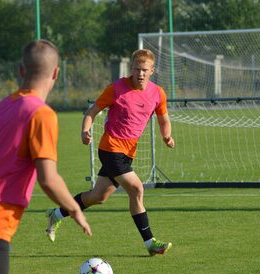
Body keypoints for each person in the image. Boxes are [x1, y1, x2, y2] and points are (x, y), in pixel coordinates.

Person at [0, 39, 92, 274]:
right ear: (56, 73)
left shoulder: (0, 108)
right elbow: (48, 178)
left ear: (20, 70)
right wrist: (75, 209)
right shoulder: (41, 114)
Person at [45, 49, 175, 256]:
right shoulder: (116, 89)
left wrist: (166, 136)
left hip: (128, 152)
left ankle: (57, 214)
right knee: (136, 189)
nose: (139, 74)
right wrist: (85, 130)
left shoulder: (158, 93)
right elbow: (93, 111)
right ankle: (150, 242)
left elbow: (164, 118)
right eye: (136, 69)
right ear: (130, 69)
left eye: (144, 70)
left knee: (98, 196)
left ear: (152, 70)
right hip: (110, 148)